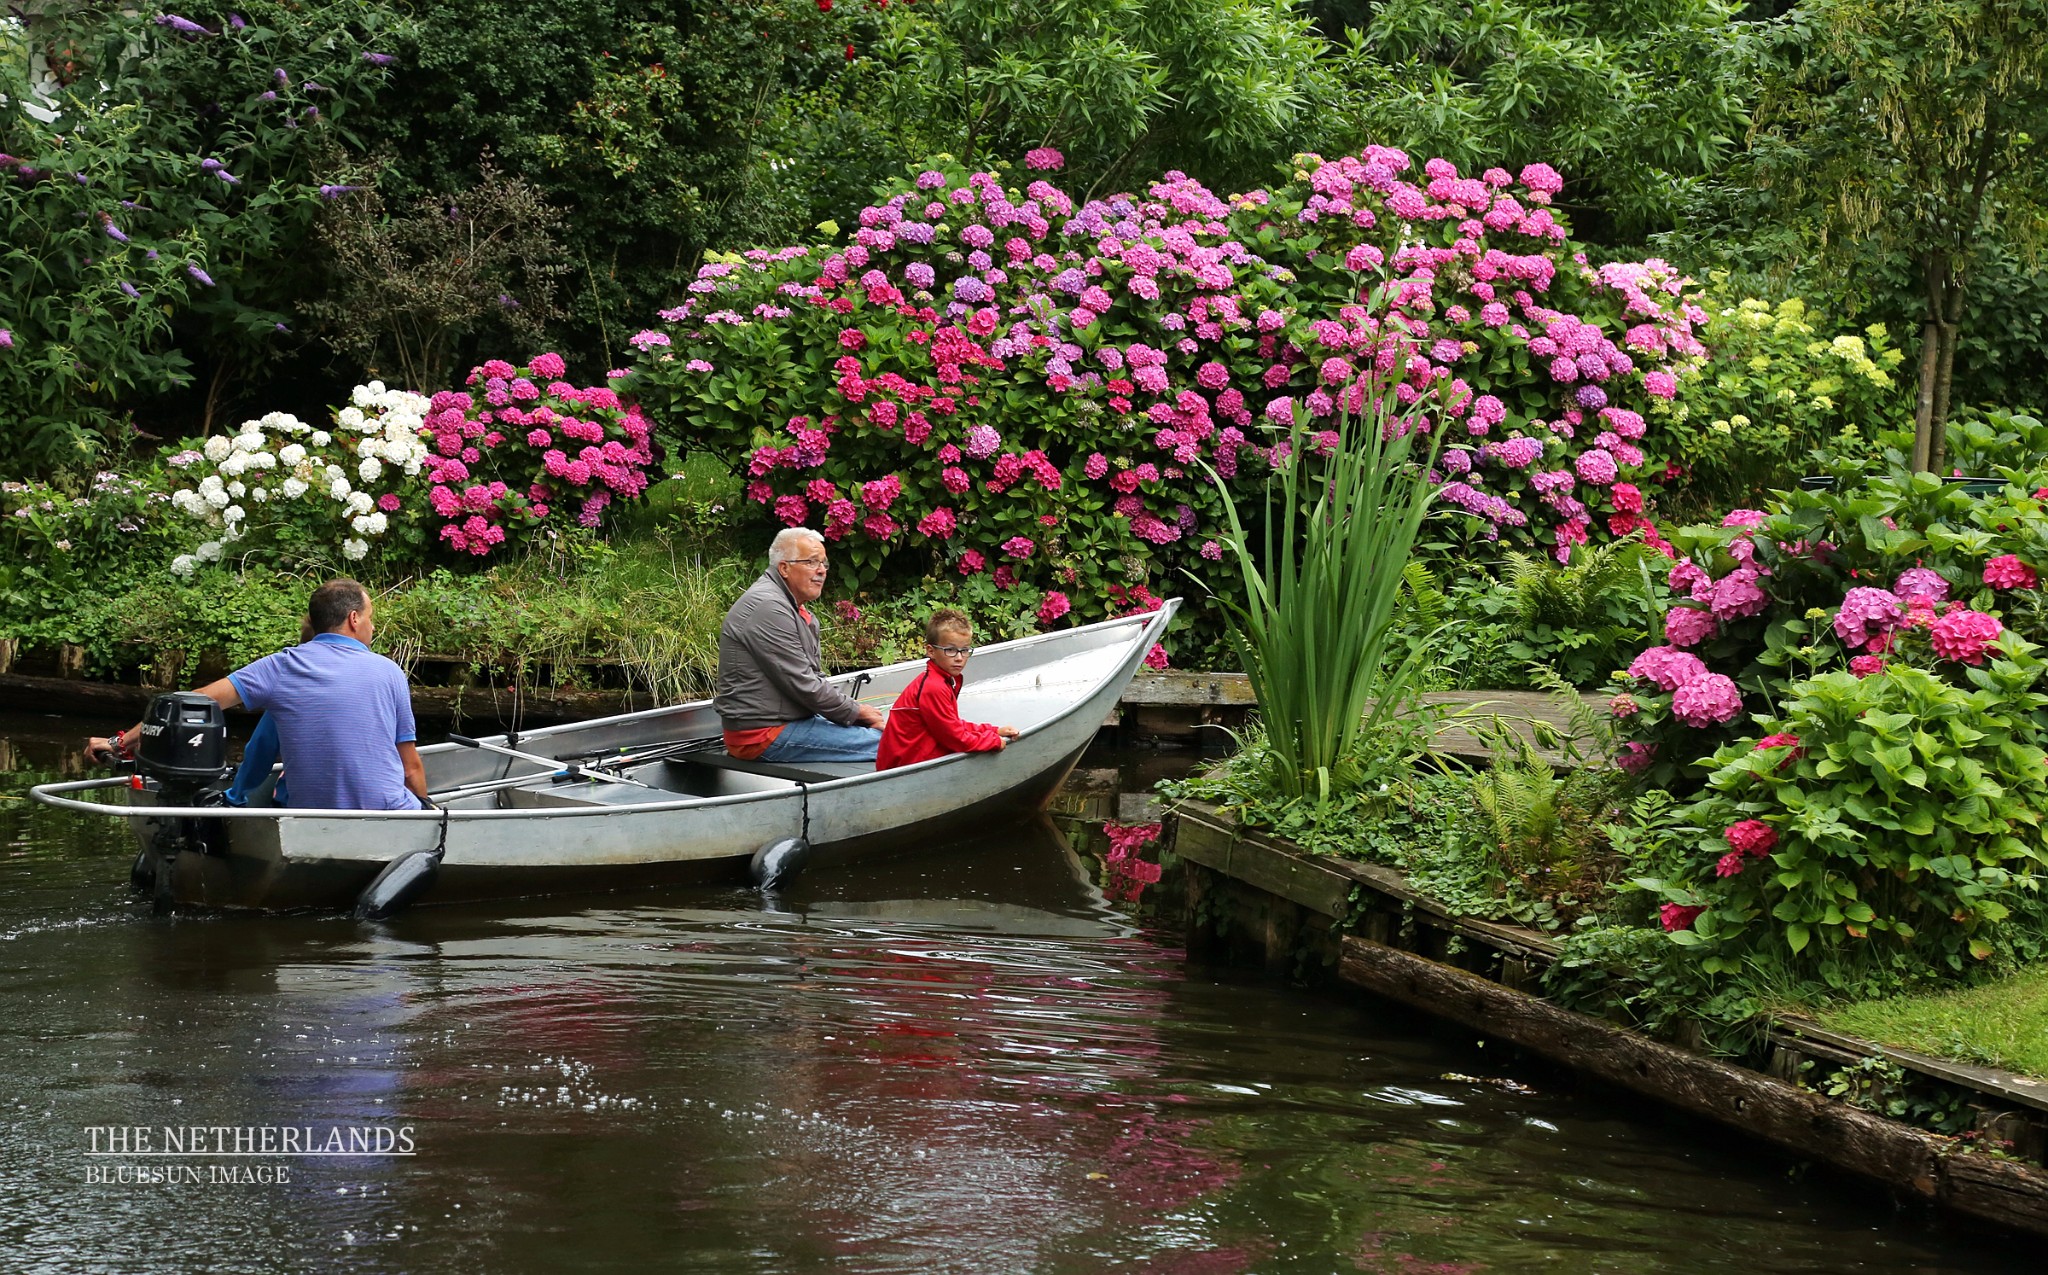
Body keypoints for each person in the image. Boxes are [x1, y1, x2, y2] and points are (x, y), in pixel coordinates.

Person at [87, 579, 427, 810]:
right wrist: (427, 810)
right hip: (387, 812)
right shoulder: (390, 672)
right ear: (354, 619)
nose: (372, 627)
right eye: (370, 618)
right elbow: (410, 771)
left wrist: (118, 744)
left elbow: (193, 701)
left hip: (309, 819)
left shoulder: (282, 667)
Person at [714, 528, 886, 763]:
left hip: (786, 721)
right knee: (893, 741)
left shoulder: (793, 607)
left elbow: (812, 679)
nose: (821, 571)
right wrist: (858, 712)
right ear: (784, 568)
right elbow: (805, 684)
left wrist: (855, 715)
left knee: (880, 731)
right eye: (811, 562)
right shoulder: (768, 608)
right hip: (761, 735)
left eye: (824, 563)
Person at [876, 608, 1018, 771]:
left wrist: (993, 730)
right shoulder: (934, 687)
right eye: (950, 650)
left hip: (916, 757)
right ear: (931, 651)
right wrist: (991, 741)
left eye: (964, 650)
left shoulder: (941, 679)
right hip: (905, 767)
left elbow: (951, 724)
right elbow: (954, 737)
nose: (959, 657)